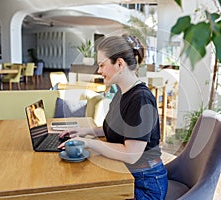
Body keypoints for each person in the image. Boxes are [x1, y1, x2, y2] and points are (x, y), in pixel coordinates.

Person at [58, 34, 168, 199]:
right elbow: (115, 129)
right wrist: (84, 131)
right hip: (130, 174)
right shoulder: (121, 93)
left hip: (145, 184)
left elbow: (131, 154)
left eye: (102, 65)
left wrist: (89, 143)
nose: (99, 71)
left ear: (119, 64)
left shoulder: (140, 99)